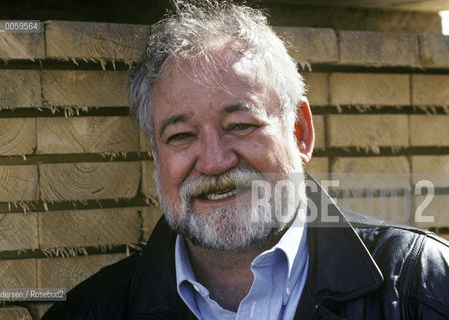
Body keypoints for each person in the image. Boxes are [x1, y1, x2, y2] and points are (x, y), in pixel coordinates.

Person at [42, 1, 449, 319]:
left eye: (240, 125)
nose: (215, 162)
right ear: (155, 155)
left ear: (300, 132)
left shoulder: (423, 287)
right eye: (181, 136)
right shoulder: (91, 311)